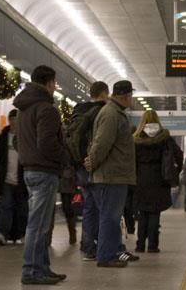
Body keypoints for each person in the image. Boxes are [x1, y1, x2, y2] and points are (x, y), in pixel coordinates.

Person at [14, 65, 68, 285]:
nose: (55, 87)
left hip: (29, 170)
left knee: (40, 223)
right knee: (38, 224)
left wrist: (29, 156)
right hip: (44, 171)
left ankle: (43, 267)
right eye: (54, 83)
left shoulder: (22, 108)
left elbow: (17, 141)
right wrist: (64, 156)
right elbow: (46, 142)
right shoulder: (46, 108)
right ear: (48, 83)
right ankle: (31, 271)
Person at [84, 80, 136, 268]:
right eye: (131, 96)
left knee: (112, 216)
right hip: (111, 175)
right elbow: (102, 143)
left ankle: (112, 253)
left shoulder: (114, 112)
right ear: (126, 96)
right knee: (109, 216)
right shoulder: (111, 114)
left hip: (114, 174)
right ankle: (106, 256)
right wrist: (93, 162)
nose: (131, 99)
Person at [133, 110, 183, 253]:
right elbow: (178, 155)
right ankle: (153, 246)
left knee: (143, 213)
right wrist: (174, 173)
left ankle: (140, 245)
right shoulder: (165, 138)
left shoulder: (137, 138)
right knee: (155, 213)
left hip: (141, 179)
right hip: (160, 179)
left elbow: (130, 161)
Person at [72, 81, 109, 261]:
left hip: (80, 167)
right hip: (95, 166)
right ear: (104, 94)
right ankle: (104, 247)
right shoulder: (101, 111)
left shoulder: (78, 110)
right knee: (104, 208)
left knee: (89, 208)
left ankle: (87, 247)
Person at [0, 109, 28, 245]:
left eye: (17, 119)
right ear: (9, 120)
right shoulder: (3, 137)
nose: (14, 122)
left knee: (23, 209)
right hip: (6, 180)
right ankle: (2, 234)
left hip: (21, 180)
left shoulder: (25, 137)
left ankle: (23, 234)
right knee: (6, 207)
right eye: (12, 119)